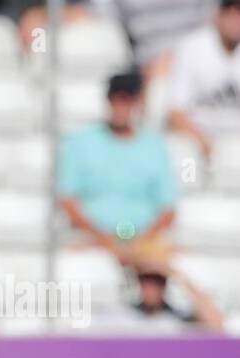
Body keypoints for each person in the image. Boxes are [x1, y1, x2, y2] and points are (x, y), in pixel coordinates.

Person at [58, 71, 175, 263]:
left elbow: (169, 209)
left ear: (137, 102)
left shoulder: (154, 146)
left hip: (143, 241)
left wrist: (140, 243)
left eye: (126, 100)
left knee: (163, 265)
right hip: (91, 240)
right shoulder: (81, 142)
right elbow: (68, 201)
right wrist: (105, 240)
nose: (120, 107)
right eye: (115, 100)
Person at [100, 236, 224, 333]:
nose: (152, 286)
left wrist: (176, 273)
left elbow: (216, 324)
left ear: (166, 282)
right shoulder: (123, 316)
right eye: (146, 278)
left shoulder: (177, 318)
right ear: (138, 280)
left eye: (158, 279)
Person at [168, 0, 240, 159]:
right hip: (197, 138)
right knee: (184, 158)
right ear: (218, 14)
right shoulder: (192, 47)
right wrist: (204, 143)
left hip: (235, 140)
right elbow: (176, 112)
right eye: (230, 12)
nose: (236, 20)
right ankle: (187, 184)